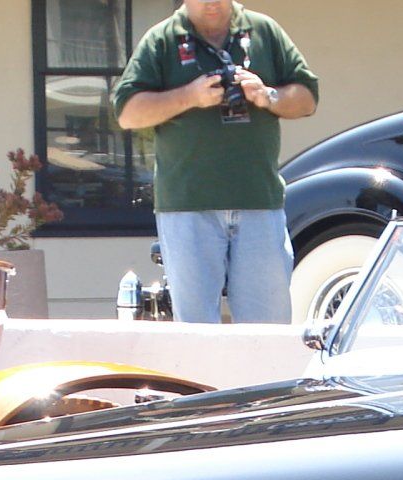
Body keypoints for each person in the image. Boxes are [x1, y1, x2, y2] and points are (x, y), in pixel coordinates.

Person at [114, 1, 318, 324]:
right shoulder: (162, 40)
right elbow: (127, 112)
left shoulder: (263, 31)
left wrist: (268, 96)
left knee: (268, 332)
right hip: (188, 207)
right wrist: (189, 97)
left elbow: (307, 97)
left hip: (258, 204)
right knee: (196, 333)